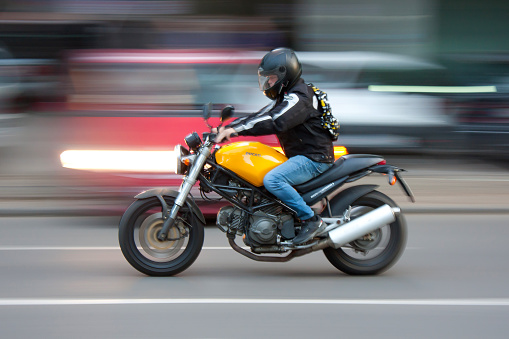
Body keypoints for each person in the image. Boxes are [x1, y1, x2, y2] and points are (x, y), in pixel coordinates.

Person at [215, 47, 335, 245]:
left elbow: (275, 120)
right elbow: (260, 116)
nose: (268, 83)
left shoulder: (299, 98)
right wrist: (228, 128)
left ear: (284, 75)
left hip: (314, 159)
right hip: (302, 157)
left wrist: (236, 131)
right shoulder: (287, 96)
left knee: (273, 180)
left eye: (270, 78)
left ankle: (311, 221)